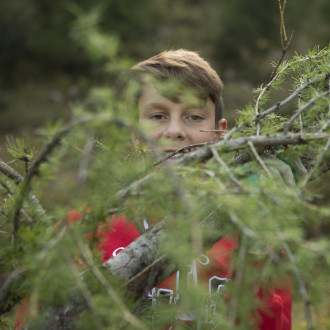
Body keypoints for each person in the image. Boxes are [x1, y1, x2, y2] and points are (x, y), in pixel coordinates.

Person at [14, 49, 292, 329]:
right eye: (157, 116)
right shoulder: (80, 231)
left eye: (194, 117)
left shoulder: (253, 238)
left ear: (219, 134)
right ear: (134, 133)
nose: (175, 131)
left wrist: (256, 246)